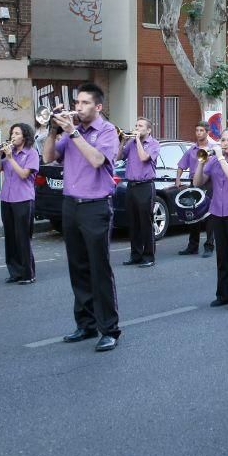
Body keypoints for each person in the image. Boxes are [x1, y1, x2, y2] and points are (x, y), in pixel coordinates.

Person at [43, 83, 122, 352]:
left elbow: (97, 160)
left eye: (85, 103)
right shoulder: (69, 131)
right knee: (77, 267)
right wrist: (53, 131)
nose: (78, 107)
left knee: (99, 268)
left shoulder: (107, 131)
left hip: (96, 206)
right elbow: (49, 156)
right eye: (77, 102)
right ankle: (85, 324)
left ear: (98, 107)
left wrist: (73, 131)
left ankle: (109, 329)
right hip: (70, 205)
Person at [193, 127, 228, 310]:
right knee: (222, 256)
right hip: (217, 212)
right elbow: (197, 182)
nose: (224, 143)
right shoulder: (216, 160)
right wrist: (202, 162)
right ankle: (223, 294)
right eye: (223, 140)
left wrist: (219, 158)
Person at [0, 122, 40, 284]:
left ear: (25, 136)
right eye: (12, 134)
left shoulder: (31, 154)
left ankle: (28, 273)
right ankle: (15, 272)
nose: (13, 137)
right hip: (7, 199)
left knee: (23, 237)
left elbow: (23, 174)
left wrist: (11, 159)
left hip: (23, 199)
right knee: (11, 237)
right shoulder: (8, 152)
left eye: (17, 134)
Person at [117, 117, 160, 268]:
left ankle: (149, 256)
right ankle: (135, 255)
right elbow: (118, 157)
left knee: (145, 223)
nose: (137, 128)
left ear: (148, 130)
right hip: (131, 186)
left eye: (140, 126)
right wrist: (122, 141)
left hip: (145, 186)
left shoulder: (153, 144)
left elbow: (143, 158)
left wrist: (137, 141)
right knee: (133, 222)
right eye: (136, 125)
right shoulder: (131, 142)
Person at [177, 121, 216, 257]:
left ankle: (209, 246)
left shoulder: (213, 149)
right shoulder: (191, 150)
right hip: (195, 184)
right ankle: (192, 246)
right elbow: (181, 165)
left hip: (210, 184)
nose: (198, 133)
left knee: (210, 216)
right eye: (197, 130)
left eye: (201, 130)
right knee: (193, 215)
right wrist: (178, 178)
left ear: (207, 132)